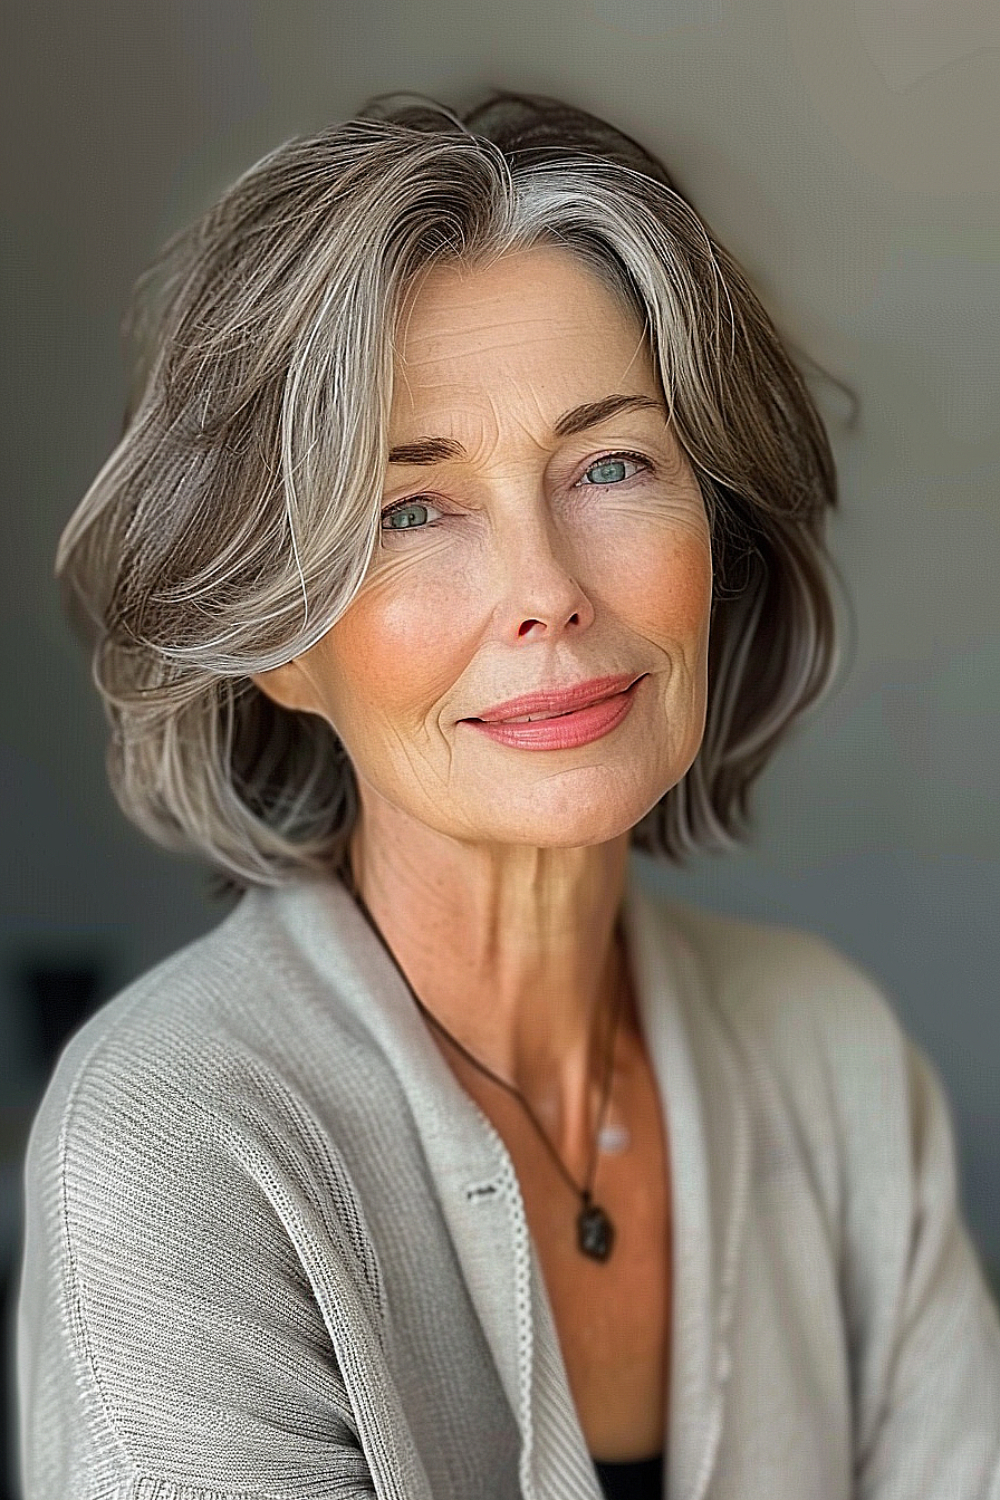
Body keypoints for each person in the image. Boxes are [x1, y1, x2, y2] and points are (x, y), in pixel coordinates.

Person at [15, 89, 1000, 1500]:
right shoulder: (173, 1147)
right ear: (280, 641)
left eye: (610, 464)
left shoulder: (831, 1059)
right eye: (411, 508)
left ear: (715, 530)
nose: (547, 591)